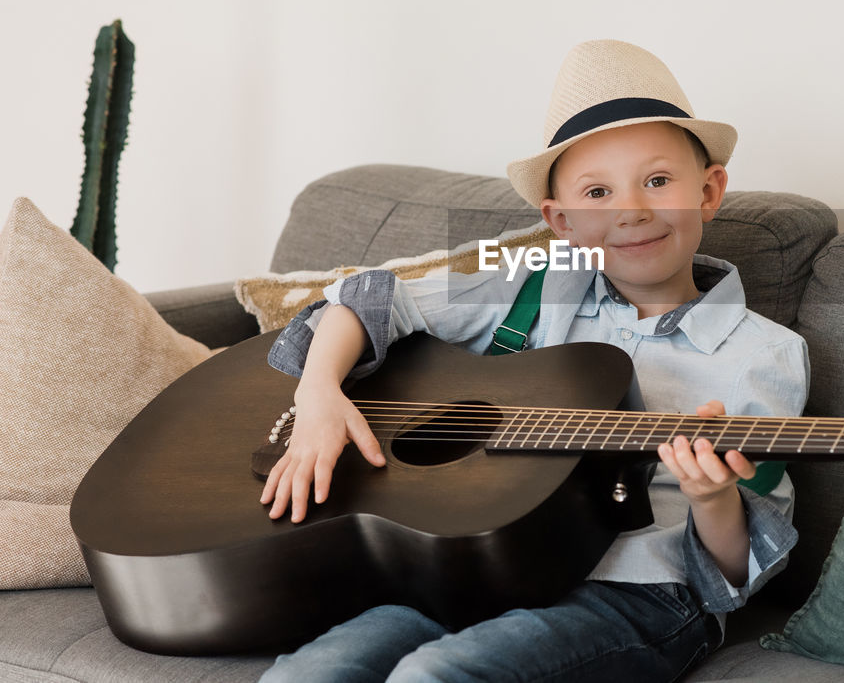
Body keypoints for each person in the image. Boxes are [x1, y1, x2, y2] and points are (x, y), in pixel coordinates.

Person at [256, 40, 810, 682]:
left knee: (434, 677)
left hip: (641, 594)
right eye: (597, 193)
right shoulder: (533, 280)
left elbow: (739, 571)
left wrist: (713, 498)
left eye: (657, 181)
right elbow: (366, 297)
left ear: (709, 190)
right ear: (561, 221)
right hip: (479, 563)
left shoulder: (764, 354)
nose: (631, 210)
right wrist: (319, 393)